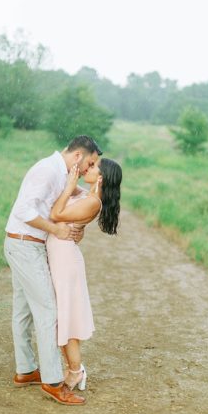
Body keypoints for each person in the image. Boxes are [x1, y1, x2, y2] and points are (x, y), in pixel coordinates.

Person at [4, 135, 100, 406]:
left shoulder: (64, 174)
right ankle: (53, 382)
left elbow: (82, 199)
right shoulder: (47, 169)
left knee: (23, 312)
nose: (87, 170)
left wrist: (79, 225)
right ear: (79, 156)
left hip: (26, 246)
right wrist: (55, 228)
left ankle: (25, 371)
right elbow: (24, 210)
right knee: (48, 310)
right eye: (90, 163)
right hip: (25, 245)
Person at [47, 157, 123, 392]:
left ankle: (76, 371)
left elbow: (56, 214)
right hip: (60, 256)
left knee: (66, 318)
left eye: (93, 167)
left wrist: (70, 187)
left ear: (100, 177)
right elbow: (67, 182)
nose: (87, 169)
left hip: (65, 260)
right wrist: (74, 174)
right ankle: (72, 368)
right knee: (61, 317)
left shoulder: (92, 201)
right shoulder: (87, 194)